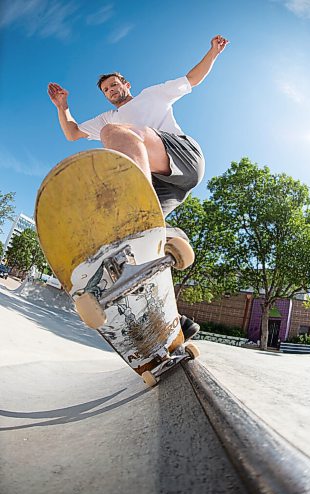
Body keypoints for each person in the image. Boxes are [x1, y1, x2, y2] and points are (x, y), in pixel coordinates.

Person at [47, 35, 229, 339]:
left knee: (115, 133)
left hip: (182, 155)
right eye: (106, 90)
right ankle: (171, 321)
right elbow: (73, 133)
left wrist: (212, 52)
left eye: (115, 85)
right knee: (134, 239)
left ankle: (139, 207)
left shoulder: (151, 95)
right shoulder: (109, 116)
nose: (112, 92)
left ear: (126, 84)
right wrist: (62, 106)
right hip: (162, 183)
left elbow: (192, 79)